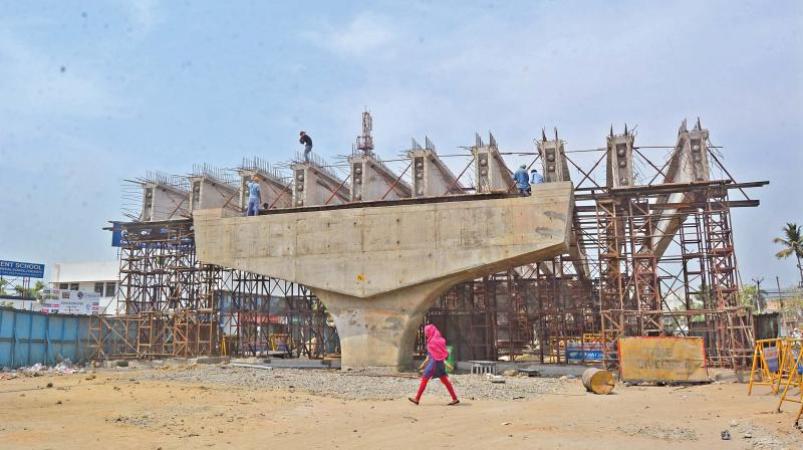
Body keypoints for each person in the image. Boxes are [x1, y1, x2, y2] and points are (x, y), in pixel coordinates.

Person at [408, 324, 459, 406]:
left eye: (426, 332)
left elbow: (430, 358)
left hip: (433, 364)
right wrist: (447, 365)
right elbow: (440, 356)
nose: (426, 334)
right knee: (445, 381)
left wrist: (422, 367)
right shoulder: (441, 341)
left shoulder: (431, 342)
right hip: (440, 365)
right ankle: (455, 398)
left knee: (424, 380)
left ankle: (417, 399)